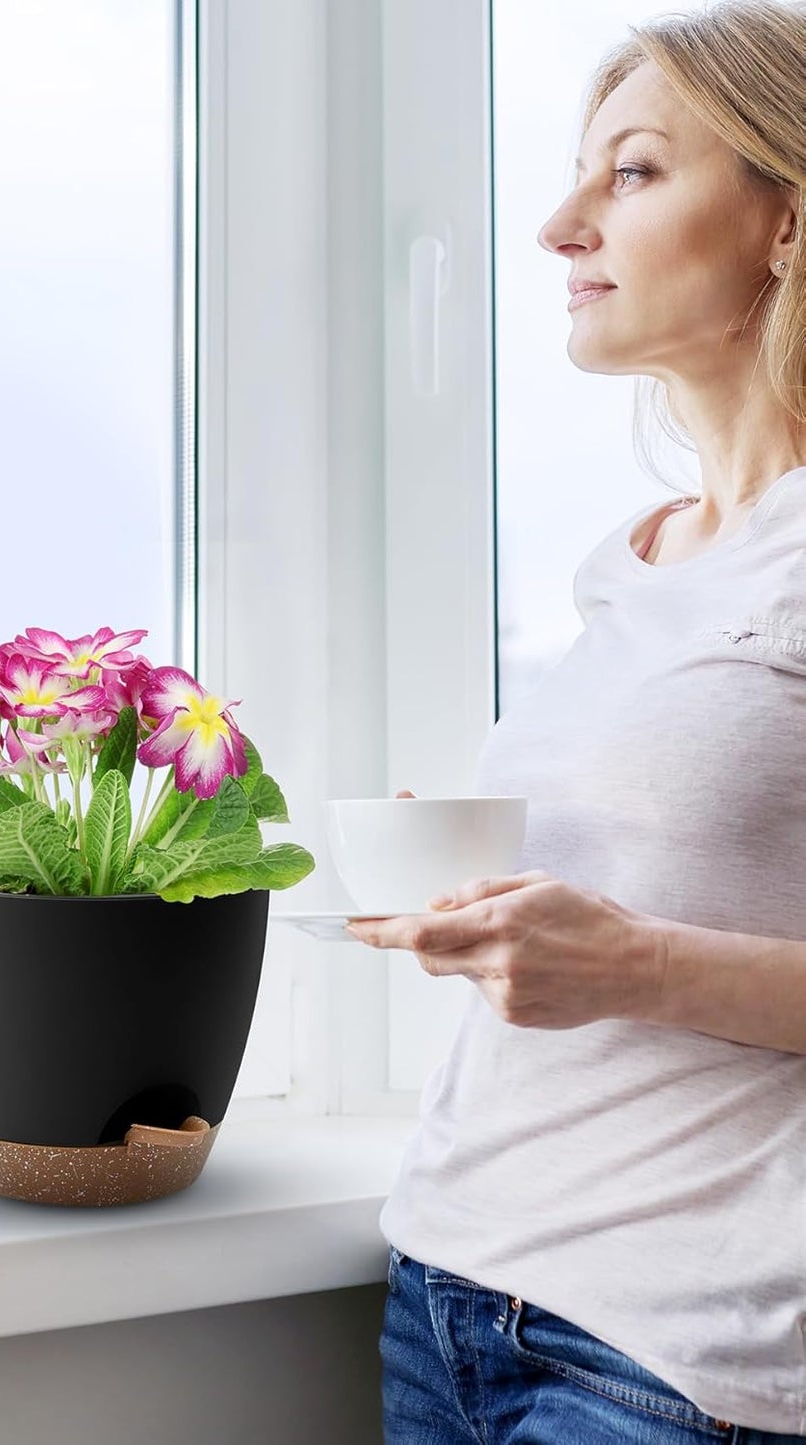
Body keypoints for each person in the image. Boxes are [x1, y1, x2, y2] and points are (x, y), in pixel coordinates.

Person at [343, 3, 806, 1440]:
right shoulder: (640, 557)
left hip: (672, 1364)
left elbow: (637, 949)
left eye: (632, 172)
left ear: (782, 221)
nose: (558, 226)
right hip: (447, 1293)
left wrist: (633, 963)